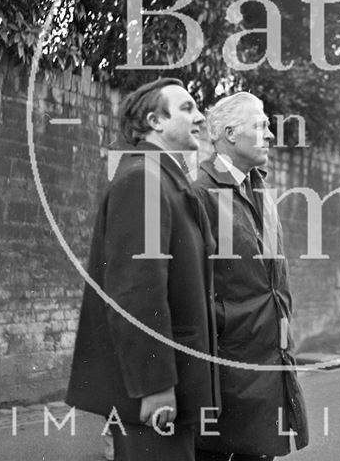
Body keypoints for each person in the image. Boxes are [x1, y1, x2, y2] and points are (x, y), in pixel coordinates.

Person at [66, 77, 219, 461]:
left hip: (173, 382)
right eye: (187, 108)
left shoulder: (164, 179)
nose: (199, 117)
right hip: (151, 394)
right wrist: (155, 385)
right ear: (155, 121)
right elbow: (135, 292)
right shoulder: (143, 180)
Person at [194, 92, 308, 461]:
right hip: (227, 369)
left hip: (268, 361)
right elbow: (189, 287)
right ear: (229, 133)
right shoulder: (199, 194)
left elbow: (276, 276)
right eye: (260, 126)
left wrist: (284, 329)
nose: (270, 136)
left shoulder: (258, 188)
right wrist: (226, 325)